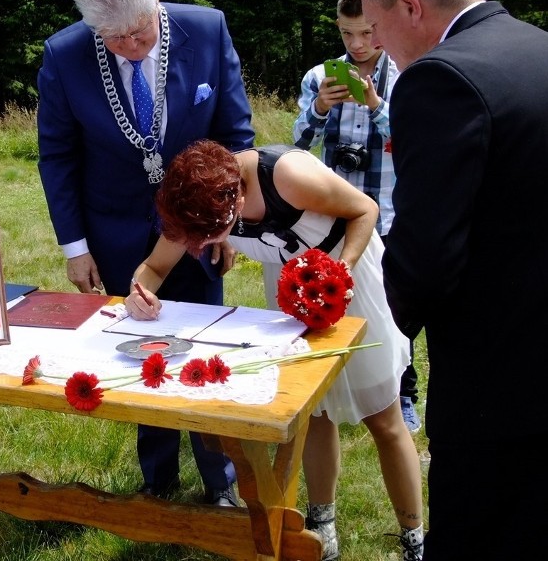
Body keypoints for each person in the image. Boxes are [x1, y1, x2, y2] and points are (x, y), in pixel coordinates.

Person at [126, 140, 424, 561]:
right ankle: (322, 525)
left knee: (383, 415)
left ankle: (414, 536)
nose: (208, 243)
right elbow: (154, 268)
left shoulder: (286, 176)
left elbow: (365, 210)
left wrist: (342, 271)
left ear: (238, 199)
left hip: (348, 278)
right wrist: (139, 293)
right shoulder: (197, 202)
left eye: (216, 234)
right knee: (314, 412)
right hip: (291, 294)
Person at [352, 0, 548, 558]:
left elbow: (426, 258)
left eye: (378, 29)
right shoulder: (537, 47)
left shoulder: (442, 80)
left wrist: (376, 333)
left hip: (499, 382)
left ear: (410, 4)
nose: (377, 47)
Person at [37, 0, 255, 507]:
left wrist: (225, 220)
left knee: (206, 342)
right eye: (114, 38)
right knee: (137, 349)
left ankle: (221, 481)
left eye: (139, 33)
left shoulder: (206, 30)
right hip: (113, 230)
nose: (130, 47)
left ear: (157, 4)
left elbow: (235, 134)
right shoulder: (65, 55)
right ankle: (158, 482)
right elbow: (57, 155)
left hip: (200, 227)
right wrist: (75, 246)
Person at [293, 0, 421, 434]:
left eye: (366, 32)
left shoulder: (407, 74)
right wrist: (319, 108)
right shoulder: (319, 77)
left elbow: (414, 142)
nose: (357, 44)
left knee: (395, 307)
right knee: (339, 295)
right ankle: (337, 385)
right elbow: (297, 145)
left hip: (387, 211)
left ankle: (403, 391)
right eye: (348, 34)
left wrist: (375, 105)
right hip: (335, 215)